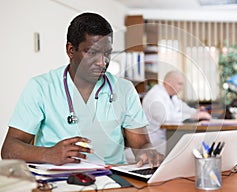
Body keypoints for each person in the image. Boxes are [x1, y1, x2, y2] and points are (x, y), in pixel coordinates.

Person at [1, 12, 163, 167]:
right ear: (71, 50)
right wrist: (48, 154)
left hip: (111, 179)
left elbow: (141, 144)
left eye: (107, 53)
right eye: (92, 52)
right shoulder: (41, 87)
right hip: (58, 180)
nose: (102, 62)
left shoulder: (124, 89)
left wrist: (147, 152)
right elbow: (9, 149)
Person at [142, 70, 211, 154]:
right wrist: (192, 116)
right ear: (168, 82)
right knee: (190, 149)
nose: (181, 88)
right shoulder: (155, 96)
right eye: (180, 84)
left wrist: (197, 111)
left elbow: (184, 107)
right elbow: (165, 117)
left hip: (167, 137)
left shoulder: (172, 97)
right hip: (156, 142)